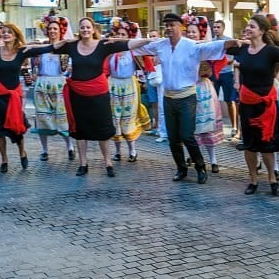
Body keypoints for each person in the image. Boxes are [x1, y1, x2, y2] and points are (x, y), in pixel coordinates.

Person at [133, 13, 239, 184]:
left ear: (180, 27)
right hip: (168, 97)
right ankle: (181, 168)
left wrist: (234, 42)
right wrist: (121, 42)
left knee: (187, 135)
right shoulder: (160, 45)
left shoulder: (192, 46)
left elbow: (214, 46)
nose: (168, 28)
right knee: (173, 138)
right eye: (166, 25)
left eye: (172, 24)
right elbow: (134, 46)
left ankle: (200, 166)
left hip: (187, 97)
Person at [223, 14, 279, 195]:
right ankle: (253, 180)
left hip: (266, 105)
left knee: (267, 145)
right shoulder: (242, 49)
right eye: (247, 26)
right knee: (249, 144)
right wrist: (235, 42)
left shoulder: (270, 51)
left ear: (262, 31)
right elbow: (220, 47)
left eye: (252, 27)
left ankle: (271, 178)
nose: (248, 29)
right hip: (247, 104)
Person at [55, 17, 140, 177]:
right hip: (78, 94)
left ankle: (108, 163)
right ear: (79, 30)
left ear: (93, 29)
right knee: (80, 129)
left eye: (88, 27)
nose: (85, 30)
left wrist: (152, 40)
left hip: (99, 93)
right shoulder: (72, 46)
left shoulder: (103, 45)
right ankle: (83, 164)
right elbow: (48, 47)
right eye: (82, 27)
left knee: (103, 128)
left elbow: (129, 44)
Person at [0, 22, 50, 172]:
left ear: (15, 35)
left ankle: (22, 152)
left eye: (9, 32)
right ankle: (4, 159)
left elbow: (47, 47)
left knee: (17, 128)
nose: (5, 34)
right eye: (3, 32)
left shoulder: (22, 51)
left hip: (14, 96)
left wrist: (64, 41)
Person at [184, 16, 225, 173]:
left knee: (207, 127)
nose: (191, 34)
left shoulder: (206, 47)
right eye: (189, 32)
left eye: (194, 31)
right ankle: (191, 156)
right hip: (188, 88)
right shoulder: (185, 47)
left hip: (203, 88)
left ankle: (213, 160)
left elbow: (215, 54)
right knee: (190, 126)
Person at [32, 13, 75, 161]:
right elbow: (35, 68)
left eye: (55, 29)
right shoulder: (42, 47)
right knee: (42, 117)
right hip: (43, 84)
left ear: (60, 31)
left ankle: (70, 146)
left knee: (62, 118)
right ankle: (44, 150)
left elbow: (69, 68)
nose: (52, 31)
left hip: (59, 85)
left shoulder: (65, 48)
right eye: (50, 29)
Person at [107, 18, 145, 163]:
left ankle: (132, 150)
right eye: (119, 34)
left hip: (129, 85)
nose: (121, 37)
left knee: (128, 117)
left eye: (124, 34)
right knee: (115, 118)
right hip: (114, 85)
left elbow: (144, 65)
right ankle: (117, 151)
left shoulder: (133, 51)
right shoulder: (111, 51)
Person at [212, 19, 239, 139]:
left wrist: (220, 62)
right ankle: (214, 127)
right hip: (214, 74)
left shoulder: (229, 41)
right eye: (214, 27)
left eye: (218, 27)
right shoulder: (211, 42)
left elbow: (232, 59)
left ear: (223, 28)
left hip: (227, 73)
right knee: (212, 101)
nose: (216, 29)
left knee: (230, 100)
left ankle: (234, 126)